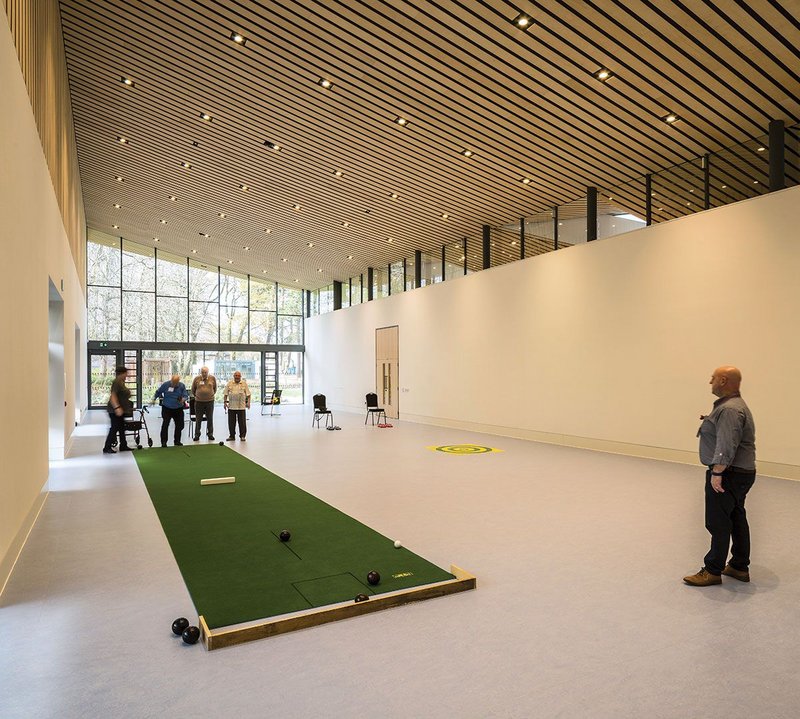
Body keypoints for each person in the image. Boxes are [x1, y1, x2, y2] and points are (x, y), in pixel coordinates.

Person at [684, 366, 756, 586]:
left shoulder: (729, 410)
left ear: (723, 380)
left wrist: (717, 473)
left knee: (718, 522)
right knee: (736, 518)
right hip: (740, 473)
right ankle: (738, 566)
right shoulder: (732, 407)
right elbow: (728, 434)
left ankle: (712, 570)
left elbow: (726, 445)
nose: (710, 382)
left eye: (713, 378)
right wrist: (710, 421)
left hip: (728, 473)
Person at [153, 374, 189, 447]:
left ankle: (177, 441)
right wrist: (154, 399)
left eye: (175, 383)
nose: (173, 384)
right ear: (171, 380)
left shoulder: (182, 386)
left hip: (178, 409)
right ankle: (163, 442)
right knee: (165, 425)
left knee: (180, 425)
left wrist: (183, 399)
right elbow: (158, 392)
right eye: (173, 382)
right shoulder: (166, 385)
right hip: (167, 408)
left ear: (178, 382)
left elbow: (185, 396)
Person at [103, 365, 133, 453]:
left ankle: (123, 445)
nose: (127, 375)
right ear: (122, 373)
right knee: (114, 428)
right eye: (126, 373)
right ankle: (107, 447)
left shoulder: (121, 382)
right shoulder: (117, 382)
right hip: (115, 410)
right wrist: (117, 408)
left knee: (121, 427)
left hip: (120, 409)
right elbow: (113, 396)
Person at [191, 366, 217, 441]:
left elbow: (215, 389)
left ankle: (210, 434)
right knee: (198, 419)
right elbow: (193, 389)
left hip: (210, 402)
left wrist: (210, 395)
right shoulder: (196, 379)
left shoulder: (212, 378)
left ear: (208, 372)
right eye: (202, 372)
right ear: (200, 372)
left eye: (205, 372)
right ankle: (197, 435)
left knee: (210, 418)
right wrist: (198, 395)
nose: (204, 374)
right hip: (199, 402)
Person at [224, 371, 251, 441]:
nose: (237, 377)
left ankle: (242, 436)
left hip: (241, 406)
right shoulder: (229, 383)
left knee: (242, 423)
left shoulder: (244, 384)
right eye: (236, 375)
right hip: (231, 406)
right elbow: (225, 394)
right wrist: (224, 402)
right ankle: (232, 436)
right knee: (231, 423)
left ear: (240, 376)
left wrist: (248, 403)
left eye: (238, 376)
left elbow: (248, 394)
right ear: (233, 376)